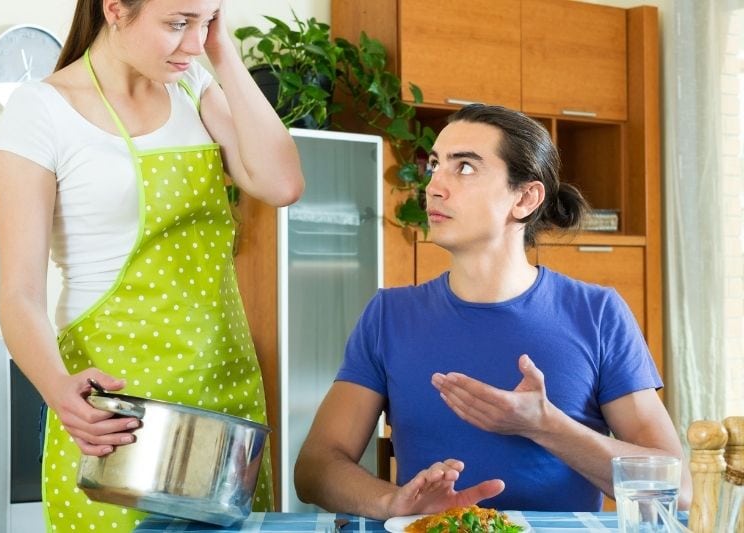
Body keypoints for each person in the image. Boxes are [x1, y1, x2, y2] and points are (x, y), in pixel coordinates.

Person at [0, 0, 303, 530]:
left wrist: (224, 56)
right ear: (115, 9)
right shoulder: (42, 109)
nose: (194, 42)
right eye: (177, 23)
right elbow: (18, 290)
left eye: (206, 22)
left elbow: (282, 185)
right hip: (116, 409)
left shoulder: (193, 88)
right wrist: (56, 388)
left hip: (223, 394)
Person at [293, 103, 691, 519]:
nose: (434, 186)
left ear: (525, 198)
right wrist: (392, 502)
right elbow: (316, 467)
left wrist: (545, 425)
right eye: (434, 165)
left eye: (464, 167)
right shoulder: (388, 316)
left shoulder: (598, 313)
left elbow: (677, 490)